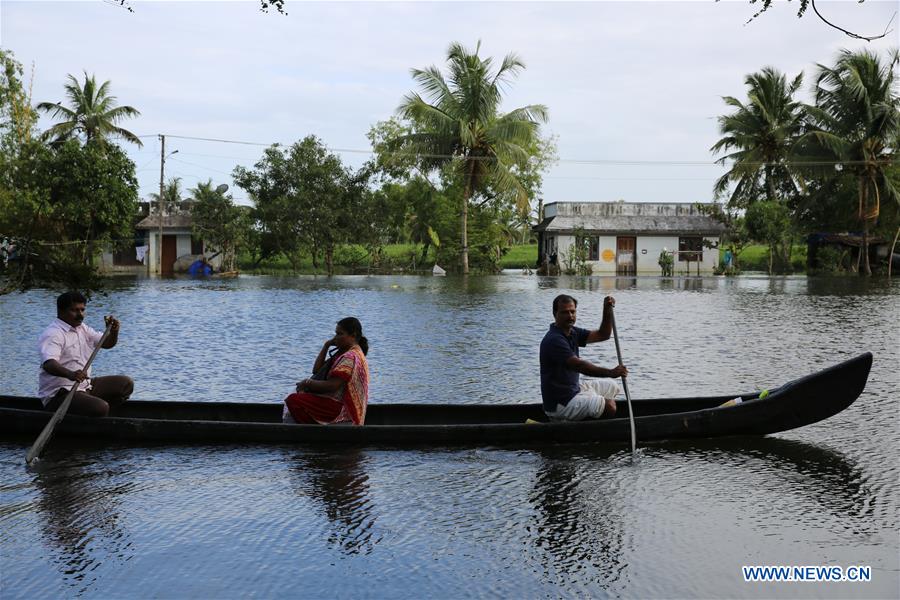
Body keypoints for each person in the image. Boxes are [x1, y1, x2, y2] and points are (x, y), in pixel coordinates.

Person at [38, 291, 134, 417]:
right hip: (60, 394)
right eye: (75, 310)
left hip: (85, 387)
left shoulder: (82, 328)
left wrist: (114, 332)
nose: (80, 315)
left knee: (126, 384)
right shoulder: (53, 334)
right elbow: (49, 364)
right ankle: (98, 412)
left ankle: (101, 413)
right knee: (100, 407)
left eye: (82, 310)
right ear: (61, 311)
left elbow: (107, 343)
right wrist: (71, 374)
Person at [539, 294, 627, 421]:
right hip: (561, 403)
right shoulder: (554, 339)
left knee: (613, 386)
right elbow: (579, 366)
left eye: (572, 311)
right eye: (565, 312)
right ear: (555, 314)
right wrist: (610, 372)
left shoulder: (572, 332)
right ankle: (569, 423)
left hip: (574, 390)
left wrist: (607, 310)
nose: (570, 316)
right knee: (610, 407)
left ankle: (584, 419)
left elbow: (603, 334)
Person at [284, 317, 370, 425]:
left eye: (340, 334)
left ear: (353, 335)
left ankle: (311, 430)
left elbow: (332, 386)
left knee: (293, 400)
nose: (336, 337)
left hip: (342, 408)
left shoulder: (350, 356)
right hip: (338, 404)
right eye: (336, 334)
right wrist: (326, 345)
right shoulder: (346, 352)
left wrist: (307, 383)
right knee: (298, 397)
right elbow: (316, 370)